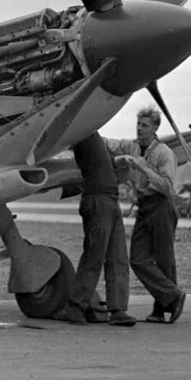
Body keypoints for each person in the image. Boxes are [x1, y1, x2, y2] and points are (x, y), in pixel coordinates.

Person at [107, 105, 186, 323]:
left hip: (162, 206)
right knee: (138, 259)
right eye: (138, 125)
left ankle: (162, 310)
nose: (139, 129)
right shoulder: (131, 147)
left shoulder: (164, 154)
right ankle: (173, 296)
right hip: (144, 206)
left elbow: (168, 187)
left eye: (145, 126)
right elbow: (111, 144)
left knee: (164, 259)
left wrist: (144, 169)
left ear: (155, 129)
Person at [59, 133, 136, 326]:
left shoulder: (92, 133)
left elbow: (99, 161)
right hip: (97, 199)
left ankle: (118, 310)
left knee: (118, 257)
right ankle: (75, 306)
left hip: (110, 198)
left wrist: (116, 161)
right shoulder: (83, 128)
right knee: (95, 255)